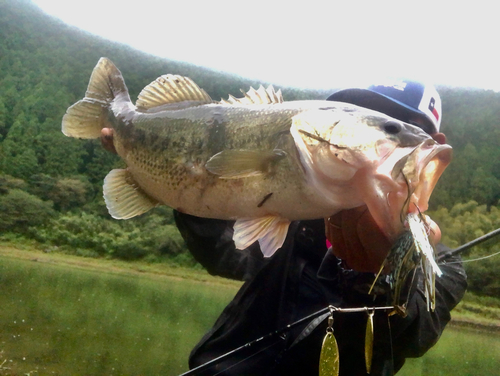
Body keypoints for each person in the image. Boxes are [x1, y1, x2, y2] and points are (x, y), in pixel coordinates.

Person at [101, 79, 467, 376]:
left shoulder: (443, 268)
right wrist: (176, 178)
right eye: (372, 118)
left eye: (395, 125)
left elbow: (412, 334)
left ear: (431, 148)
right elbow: (225, 254)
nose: (387, 143)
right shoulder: (294, 216)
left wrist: (384, 278)